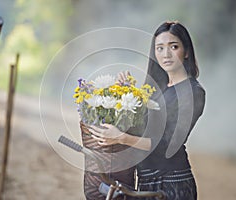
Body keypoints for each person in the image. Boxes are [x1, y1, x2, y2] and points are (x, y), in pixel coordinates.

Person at [88, 21, 205, 200]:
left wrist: (120, 137)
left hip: (172, 182)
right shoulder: (158, 88)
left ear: (186, 51)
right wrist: (126, 92)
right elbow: (142, 128)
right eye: (159, 48)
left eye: (173, 46)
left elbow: (168, 144)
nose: (166, 54)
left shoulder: (193, 92)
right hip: (144, 180)